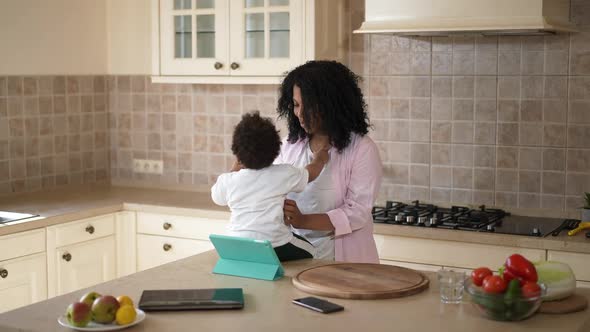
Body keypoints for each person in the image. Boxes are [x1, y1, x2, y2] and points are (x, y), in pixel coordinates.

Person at [275, 60, 383, 263]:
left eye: (309, 106)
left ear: (333, 105)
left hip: (345, 265)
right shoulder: (289, 146)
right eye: (296, 105)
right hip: (296, 261)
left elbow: (357, 212)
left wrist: (303, 220)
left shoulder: (362, 148)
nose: (299, 114)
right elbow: (271, 189)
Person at [211, 111, 329, 261]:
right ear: (275, 150)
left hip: (238, 244)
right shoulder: (283, 173)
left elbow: (217, 198)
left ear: (237, 153)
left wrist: (233, 170)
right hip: (276, 245)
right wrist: (319, 160)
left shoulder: (228, 180)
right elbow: (309, 174)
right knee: (313, 251)